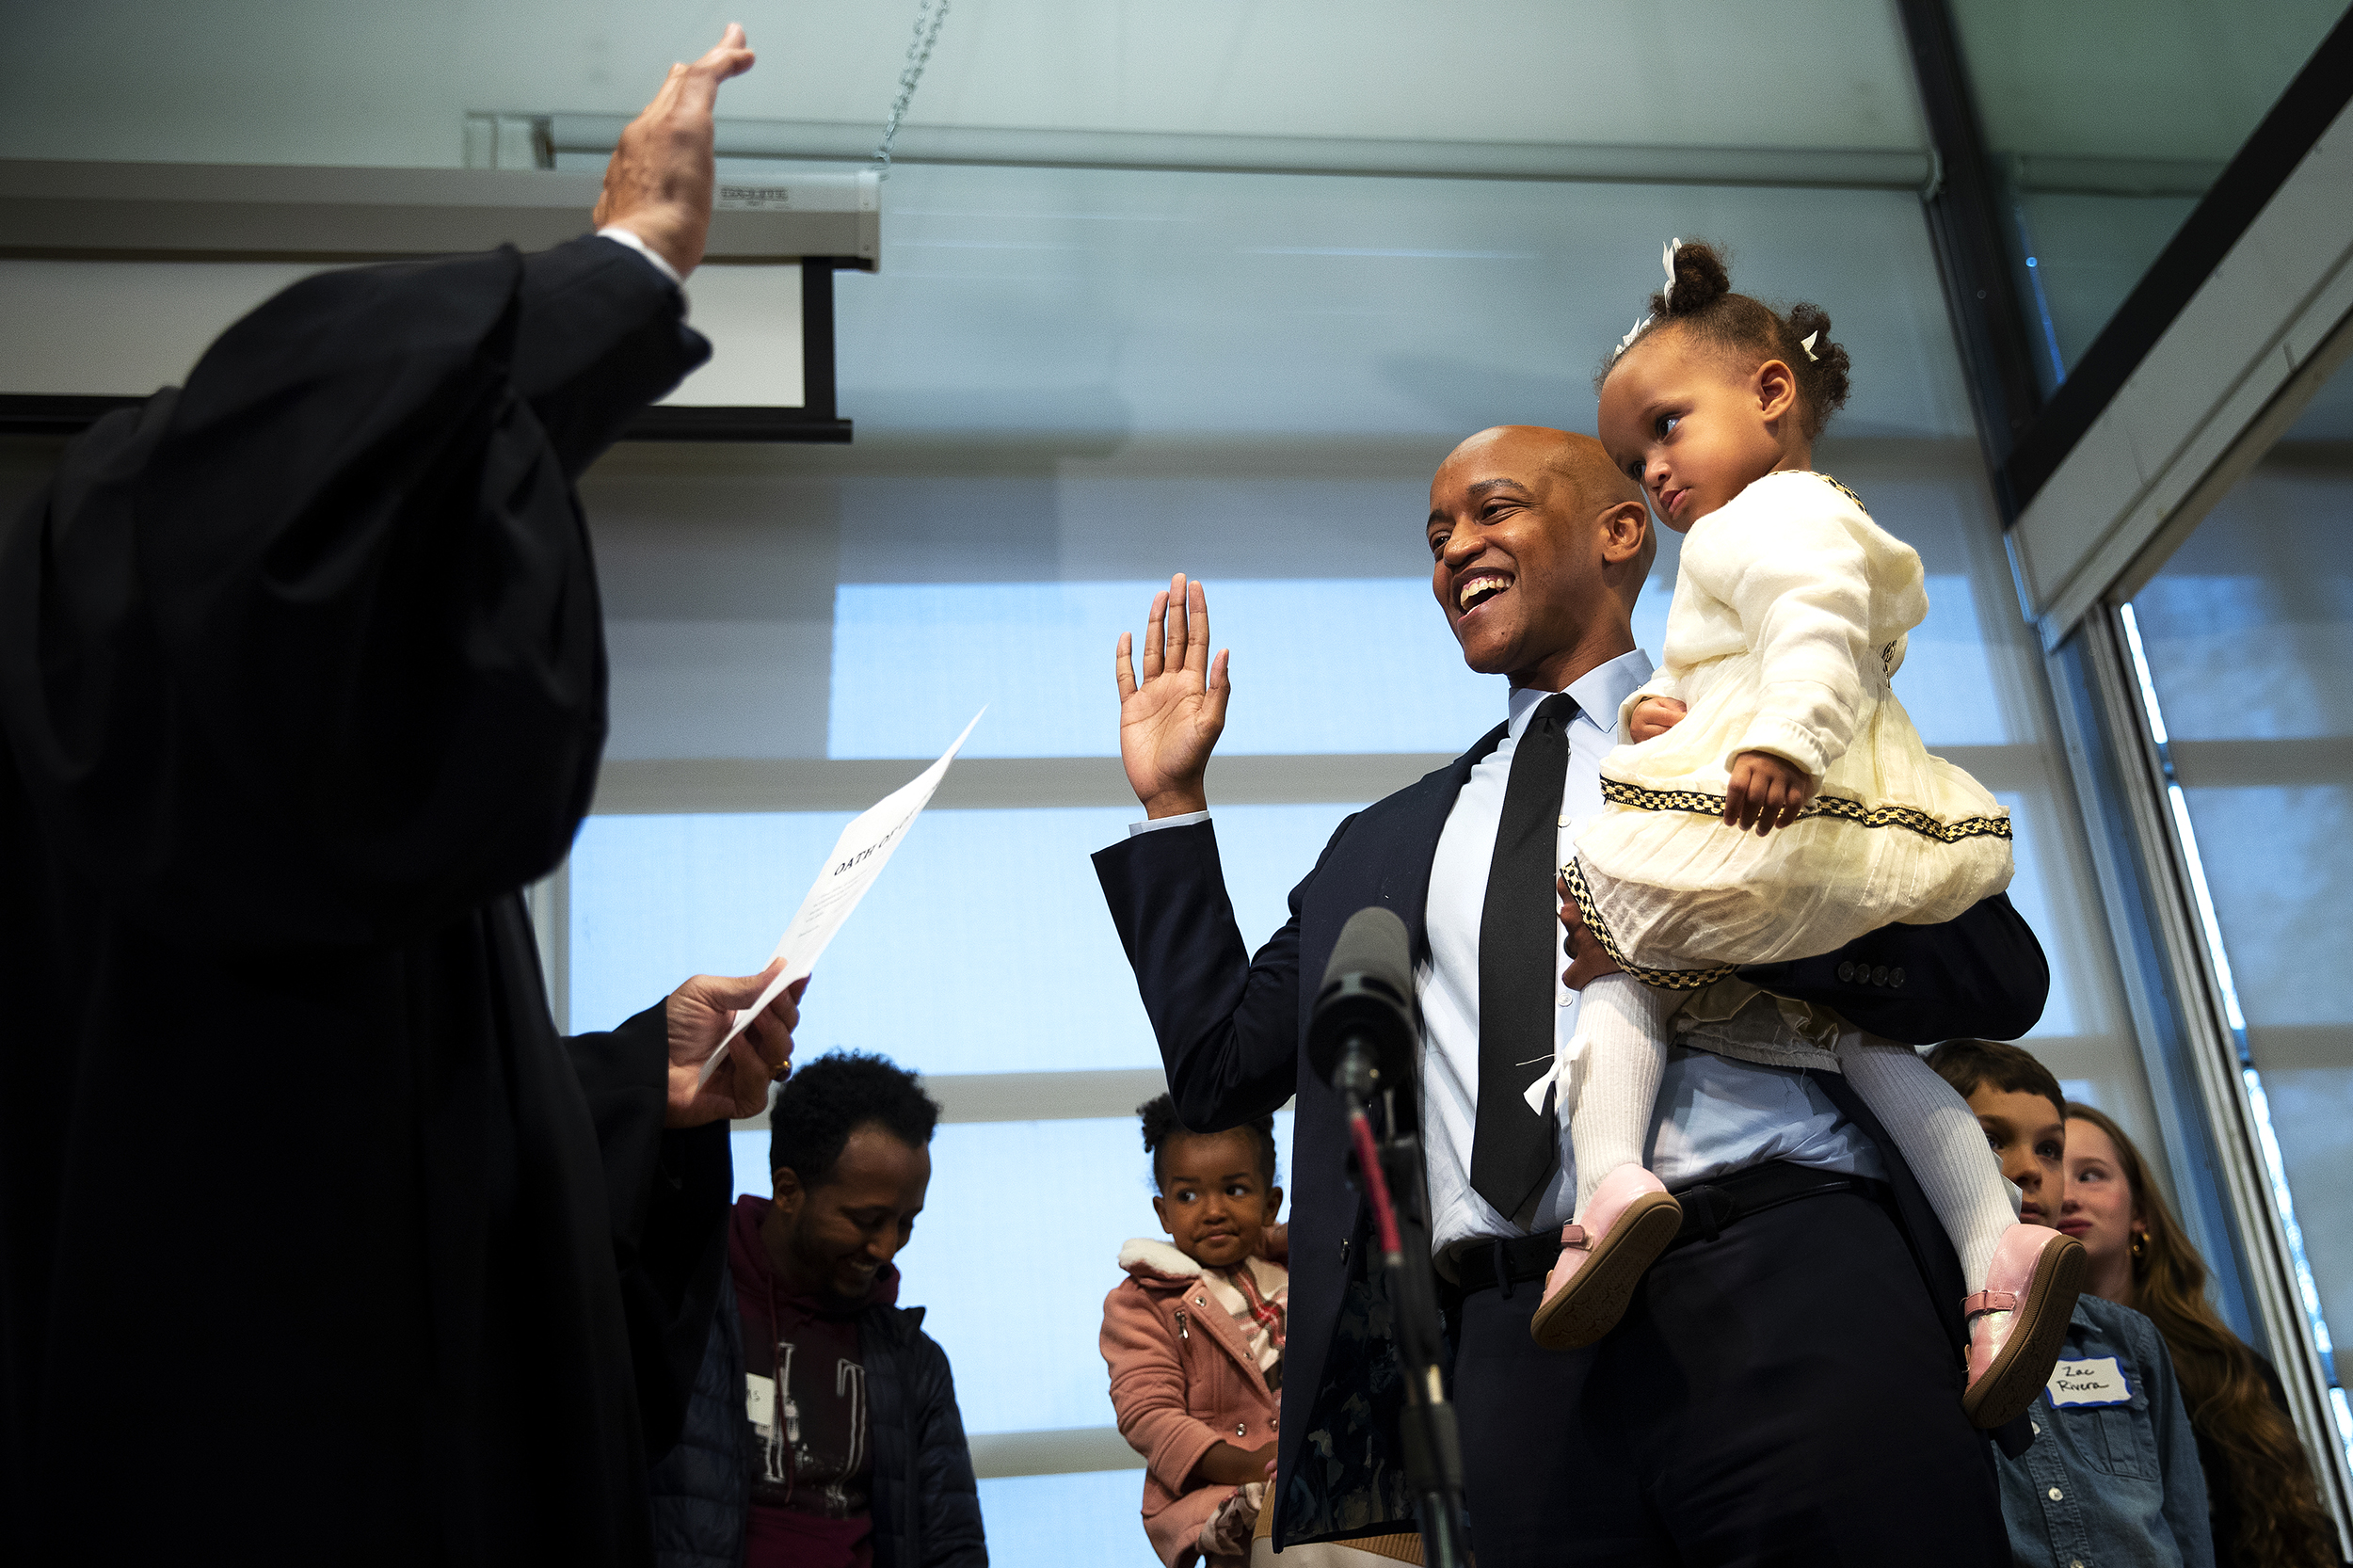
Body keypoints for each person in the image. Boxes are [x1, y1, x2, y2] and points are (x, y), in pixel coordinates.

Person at [0, 25, 802, 1564]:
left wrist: (649, 1077)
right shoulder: (231, 701)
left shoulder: (279, 738)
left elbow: (385, 1138)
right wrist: (632, 260)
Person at [1095, 422, 2050, 1563]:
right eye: (1436, 533)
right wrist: (1171, 808)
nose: (1454, 549)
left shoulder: (1757, 730)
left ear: (1618, 533)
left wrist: (1720, 938)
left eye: (1491, 511)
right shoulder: (1384, 844)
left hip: (1783, 1280)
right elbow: (1217, 1068)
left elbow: (1995, 971)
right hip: (1515, 1341)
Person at [1533, 238, 2080, 1434]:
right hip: (1792, 803)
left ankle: (1612, 1180)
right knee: (1868, 1045)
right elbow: (1710, 670)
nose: (1654, 471)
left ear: (1771, 394)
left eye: (1668, 429)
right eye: (1634, 456)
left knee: (1620, 958)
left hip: (1786, 800)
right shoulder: (1752, 533)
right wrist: (1661, 710)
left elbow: (1820, 630)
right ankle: (1999, 1248)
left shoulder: (1771, 518)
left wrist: (1778, 739)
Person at [650, 1050, 984, 1568]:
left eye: (906, 1222)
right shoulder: (681, 1312)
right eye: (867, 1220)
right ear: (788, 1192)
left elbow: (953, 1546)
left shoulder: (912, 1364)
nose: (887, 1248)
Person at [1929, 1040, 2217, 1568]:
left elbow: (2186, 1522)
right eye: (1992, 1141)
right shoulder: (1917, 1333)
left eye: (2049, 1149)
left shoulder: (2127, 1338)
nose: (2030, 1169)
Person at [2061, 1103, 2343, 1568]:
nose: (2068, 1197)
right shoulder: (2009, 1368)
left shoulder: (2230, 1370)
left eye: (2091, 1175)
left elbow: (2299, 1534)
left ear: (2141, 1215)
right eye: (2053, 1174)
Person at [1102, 1096, 1290, 1568]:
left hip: (1324, 1496)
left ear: (1271, 1204)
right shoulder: (1142, 1303)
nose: (1212, 1211)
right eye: (1188, 1196)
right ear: (1163, 1213)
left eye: (1235, 1190)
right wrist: (1251, 1465)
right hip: (1228, 1510)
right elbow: (1150, 1417)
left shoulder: (1304, 1269)